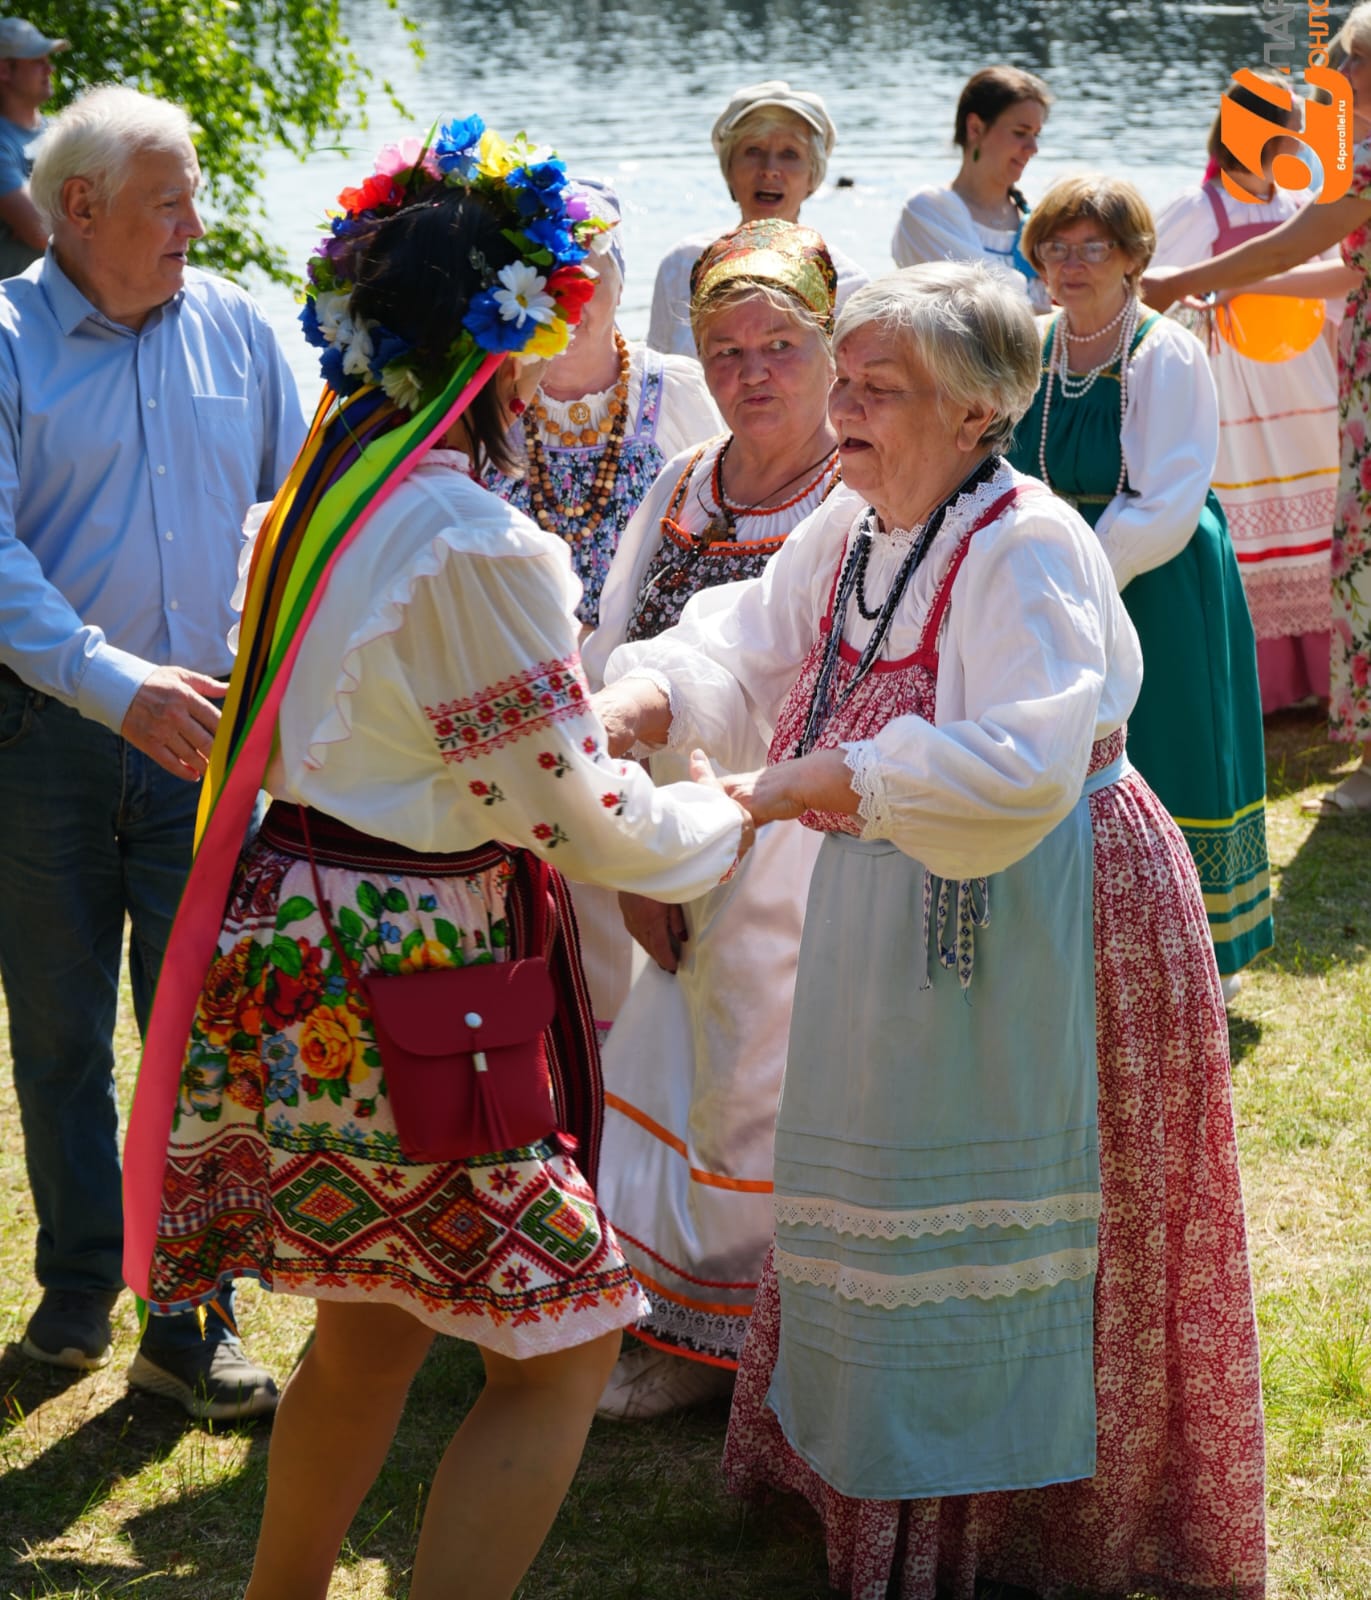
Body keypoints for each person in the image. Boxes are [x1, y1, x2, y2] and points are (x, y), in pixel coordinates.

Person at [119, 118, 753, 1600]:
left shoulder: (328, 499)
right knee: (565, 1346)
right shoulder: (469, 539)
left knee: (372, 1322)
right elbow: (571, 816)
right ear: (506, 335)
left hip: (312, 944)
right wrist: (730, 813)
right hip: (410, 973)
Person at [595, 261, 1266, 1600]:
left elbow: (1020, 761)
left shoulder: (1022, 542)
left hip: (1034, 911)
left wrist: (799, 784)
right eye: (838, 378)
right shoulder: (855, 523)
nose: (836, 406)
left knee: (1004, 1209)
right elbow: (747, 646)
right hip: (895, 898)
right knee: (873, 1179)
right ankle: (873, 1484)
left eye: (871, 386)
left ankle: (1023, 1522)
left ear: (972, 411)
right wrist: (643, 705)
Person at [0, 85, 304, 1416]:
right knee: (60, 1036)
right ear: (80, 211)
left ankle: (189, 1321)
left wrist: (290, 693)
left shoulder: (239, 322)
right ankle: (76, 1295)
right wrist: (113, 685)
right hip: (44, 740)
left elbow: (296, 506)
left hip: (211, 749)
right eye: (168, 200)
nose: (197, 221)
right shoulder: (4, 343)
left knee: (197, 1038)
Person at [583, 218, 845, 1419]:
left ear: (832, 349)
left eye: (781, 344)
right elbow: (622, 641)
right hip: (680, 828)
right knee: (668, 1059)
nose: (752, 373)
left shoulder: (860, 487)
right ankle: (682, 1320)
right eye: (726, 347)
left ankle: (764, 1333)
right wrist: (632, 832)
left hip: (806, 838)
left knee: (764, 1079)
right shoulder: (687, 482)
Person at [1007, 174, 1274, 994]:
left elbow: (1165, 496)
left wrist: (1080, 575)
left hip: (1154, 573)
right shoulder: (1032, 344)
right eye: (1055, 246)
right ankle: (1081, 946)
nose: (1070, 263)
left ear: (1132, 258)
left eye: (1093, 247)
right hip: (1047, 576)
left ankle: (1196, 957)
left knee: (1167, 742)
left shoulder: (1164, 350)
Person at [484, 178, 721, 1038]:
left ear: (619, 282)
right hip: (526, 715)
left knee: (668, 958)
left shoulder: (683, 392)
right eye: (549, 281)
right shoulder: (490, 409)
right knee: (559, 955)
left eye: (589, 275)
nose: (571, 299)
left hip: (657, 704)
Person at [1143, 5, 1371, 812]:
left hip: (1336, 384)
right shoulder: (1204, 205)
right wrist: (1221, 286)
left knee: (1353, 542)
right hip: (1289, 382)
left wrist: (1181, 284)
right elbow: (1338, 269)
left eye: (1347, 64)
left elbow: (1306, 249)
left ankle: (1356, 736)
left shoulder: (1352, 172)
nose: (1336, 81)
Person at [1153, 71, 1342, 712]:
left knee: (1316, 516)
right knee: (1248, 529)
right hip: (1234, 397)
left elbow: (1338, 293)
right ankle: (1256, 691)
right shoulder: (1199, 208)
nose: (1300, 136)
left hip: (1305, 390)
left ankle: (1323, 681)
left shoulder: (1300, 208)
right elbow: (1157, 294)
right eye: (1289, 123)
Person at [647, 79, 867, 357]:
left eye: (790, 154)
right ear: (728, 169)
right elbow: (657, 384)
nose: (769, 169)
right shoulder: (681, 265)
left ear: (813, 177)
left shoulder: (847, 284)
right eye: (753, 151)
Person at [891, 65, 1051, 310]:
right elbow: (984, 301)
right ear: (975, 127)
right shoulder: (926, 211)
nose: (1033, 148)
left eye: (1036, 135)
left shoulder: (1038, 218)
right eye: (1020, 133)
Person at [0, 17, 61, 276]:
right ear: (4, 70)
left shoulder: (66, 132)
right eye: (37, 60)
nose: (50, 69)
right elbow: (41, 230)